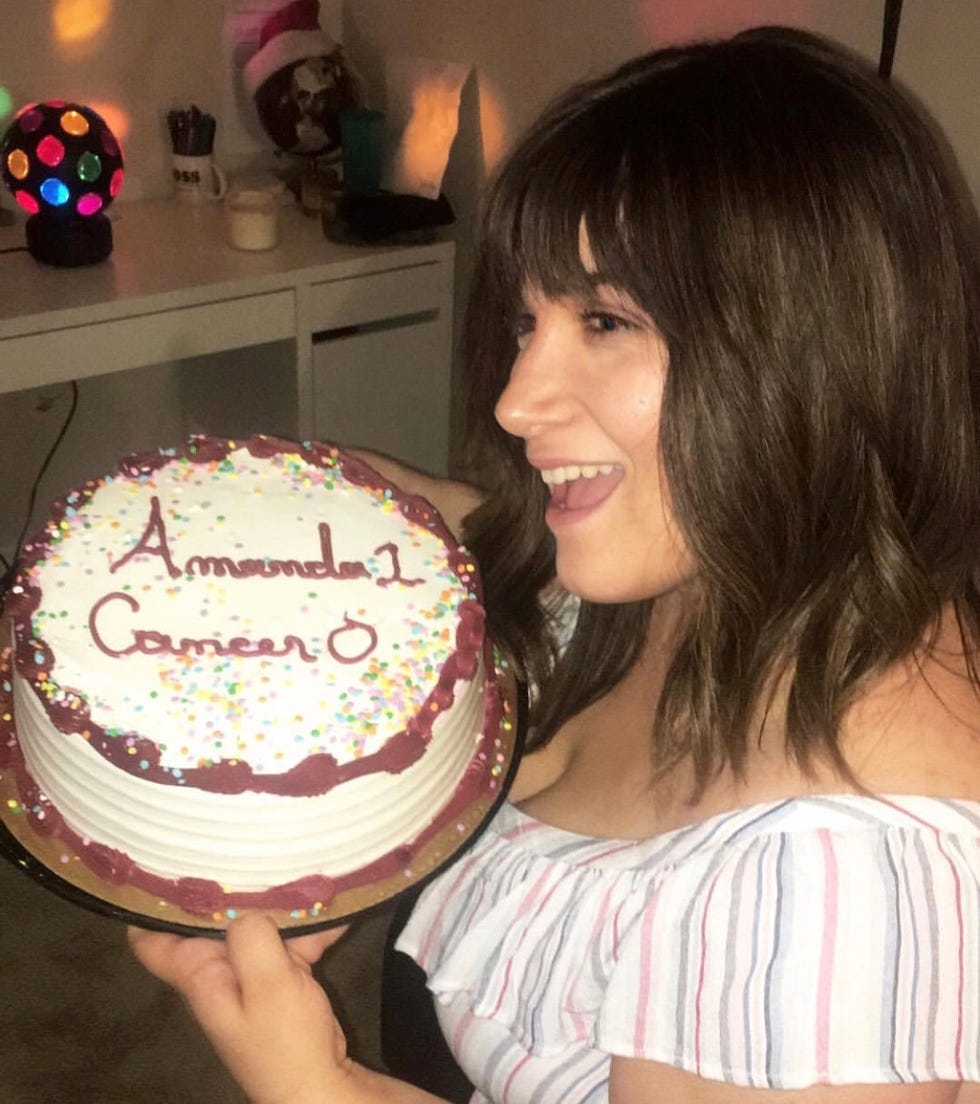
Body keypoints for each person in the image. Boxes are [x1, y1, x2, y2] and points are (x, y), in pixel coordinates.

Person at [129, 24, 980, 1104]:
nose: (514, 399)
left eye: (605, 318)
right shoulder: (738, 579)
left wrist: (314, 1088)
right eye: (529, 318)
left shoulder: (835, 887)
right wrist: (248, 487)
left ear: (808, 345)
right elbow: (460, 516)